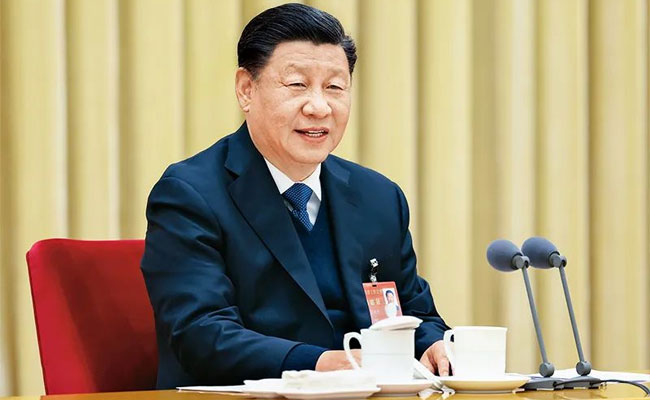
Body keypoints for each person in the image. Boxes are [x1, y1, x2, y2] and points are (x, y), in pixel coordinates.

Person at [141, 3, 450, 389]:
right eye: (297, 85)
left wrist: (434, 344)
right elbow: (200, 334)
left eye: (334, 87)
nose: (319, 107)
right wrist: (321, 364)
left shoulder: (378, 197)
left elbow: (414, 311)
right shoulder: (191, 194)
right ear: (246, 89)